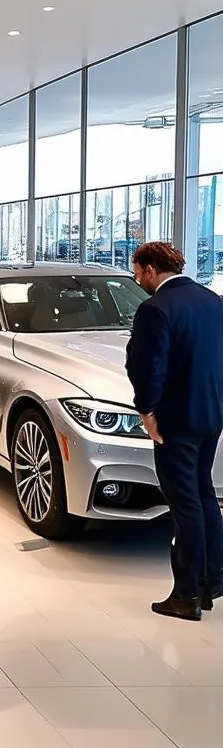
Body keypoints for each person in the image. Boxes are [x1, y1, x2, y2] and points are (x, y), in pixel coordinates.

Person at [125, 241, 223, 621]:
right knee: (202, 494)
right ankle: (210, 581)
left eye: (137, 271)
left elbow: (149, 365)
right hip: (211, 414)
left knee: (184, 505)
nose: (137, 278)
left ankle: (186, 596)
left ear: (151, 269)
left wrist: (147, 411)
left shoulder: (156, 309)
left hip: (176, 419)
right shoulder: (213, 301)